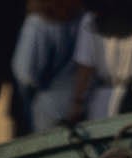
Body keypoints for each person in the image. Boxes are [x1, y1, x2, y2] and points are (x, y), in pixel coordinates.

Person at [66, 0, 132, 120]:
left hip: (126, 97)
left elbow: (85, 68)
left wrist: (76, 104)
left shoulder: (90, 18)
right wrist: (77, 103)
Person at [11, 0, 84, 131]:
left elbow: (26, 74)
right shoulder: (83, 18)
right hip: (82, 104)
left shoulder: (37, 24)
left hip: (49, 111)